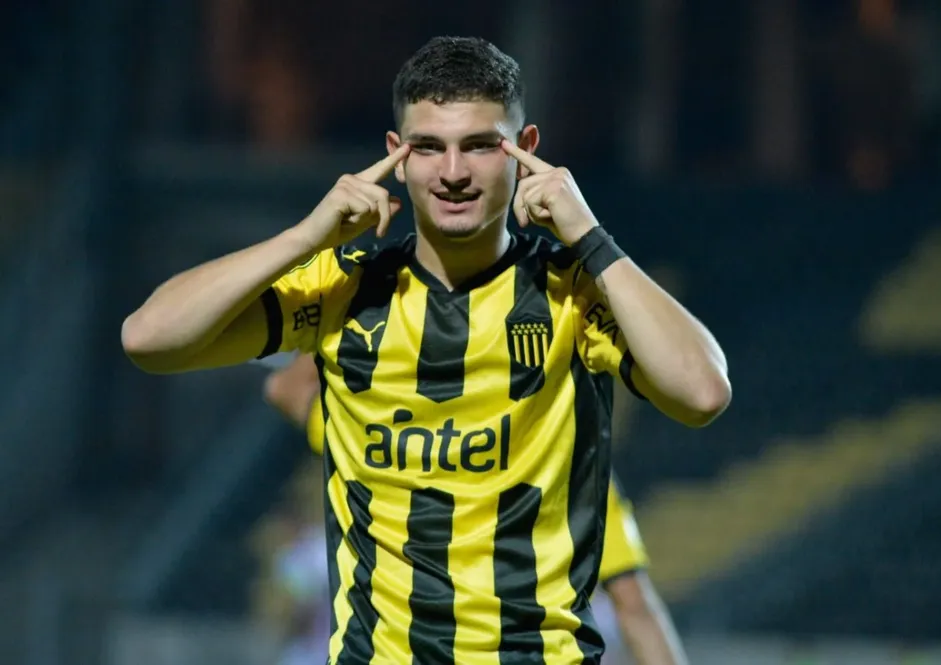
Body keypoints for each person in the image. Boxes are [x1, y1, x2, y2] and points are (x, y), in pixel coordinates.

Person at [122, 36, 729, 664]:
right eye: (430, 147)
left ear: (525, 151)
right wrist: (304, 236)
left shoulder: (571, 292)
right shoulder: (344, 289)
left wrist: (591, 237)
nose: (454, 172)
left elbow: (704, 392)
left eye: (480, 146)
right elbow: (148, 339)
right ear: (396, 155)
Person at [263, 354, 691, 665]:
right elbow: (636, 610)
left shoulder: (391, 446)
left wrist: (358, 310)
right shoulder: (572, 468)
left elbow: (286, 388)